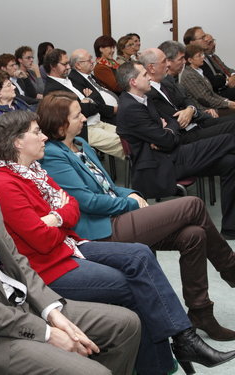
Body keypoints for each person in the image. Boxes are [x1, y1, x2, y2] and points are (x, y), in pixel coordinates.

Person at [0, 109, 235, 374]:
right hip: (52, 265)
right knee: (136, 283)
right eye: (36, 133)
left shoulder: (34, 171)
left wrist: (56, 218)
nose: (43, 138)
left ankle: (183, 339)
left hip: (70, 247)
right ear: (17, 142)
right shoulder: (6, 184)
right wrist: (60, 217)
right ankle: (163, 361)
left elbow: (72, 207)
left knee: (147, 252)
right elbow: (45, 237)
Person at [0, 112, 141, 375]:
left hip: (20, 305)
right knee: (94, 372)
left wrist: (51, 311)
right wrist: (46, 332)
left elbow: (17, 262)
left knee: (126, 324)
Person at [39, 90, 235, 341]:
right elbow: (86, 202)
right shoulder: (53, 155)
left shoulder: (81, 145)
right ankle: (230, 267)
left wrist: (130, 193)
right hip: (101, 230)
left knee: (194, 235)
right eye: (78, 116)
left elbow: (108, 187)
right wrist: (129, 203)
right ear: (60, 123)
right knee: (193, 205)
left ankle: (201, 313)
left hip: (116, 217)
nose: (85, 119)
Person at [116, 61, 235, 238]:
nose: (149, 76)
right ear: (133, 82)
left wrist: (167, 129)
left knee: (230, 163)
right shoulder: (131, 107)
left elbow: (168, 129)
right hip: (162, 164)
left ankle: (230, 229)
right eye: (144, 75)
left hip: (170, 153)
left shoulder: (142, 98)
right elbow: (169, 137)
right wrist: (168, 129)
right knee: (229, 139)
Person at [43, 48, 124, 159]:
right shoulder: (52, 90)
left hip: (97, 122)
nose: (68, 66)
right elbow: (81, 111)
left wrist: (88, 100)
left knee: (130, 135)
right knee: (124, 143)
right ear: (53, 66)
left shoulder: (69, 80)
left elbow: (96, 100)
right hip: (83, 130)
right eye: (65, 64)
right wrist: (88, 101)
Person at [180, 44, 235, 116]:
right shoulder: (189, 76)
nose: (203, 57)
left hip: (211, 107)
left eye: (202, 54)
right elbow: (205, 99)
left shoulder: (198, 71)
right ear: (190, 60)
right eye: (199, 56)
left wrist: (227, 101)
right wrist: (228, 104)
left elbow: (212, 94)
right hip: (204, 111)